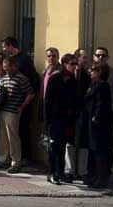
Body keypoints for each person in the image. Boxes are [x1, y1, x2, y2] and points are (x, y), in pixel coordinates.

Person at [1, 37, 39, 164]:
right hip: (9, 105)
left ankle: (25, 157)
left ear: (11, 46)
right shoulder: (9, 61)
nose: (4, 50)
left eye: (5, 47)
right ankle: (9, 158)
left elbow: (33, 81)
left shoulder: (25, 59)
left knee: (22, 130)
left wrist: (25, 102)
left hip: (22, 102)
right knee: (8, 134)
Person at [44, 54, 80, 185]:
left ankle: (60, 172)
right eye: (72, 64)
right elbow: (47, 101)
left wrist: (74, 116)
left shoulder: (73, 80)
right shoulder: (55, 78)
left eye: (76, 64)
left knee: (63, 146)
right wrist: (48, 121)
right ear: (64, 64)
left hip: (68, 120)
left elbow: (76, 100)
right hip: (55, 119)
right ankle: (53, 173)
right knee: (54, 147)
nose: (74, 67)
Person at [82, 63, 113, 189]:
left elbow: (101, 104)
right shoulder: (92, 84)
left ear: (100, 72)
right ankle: (93, 176)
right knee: (93, 150)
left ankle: (101, 178)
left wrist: (96, 117)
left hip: (99, 124)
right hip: (91, 123)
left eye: (93, 70)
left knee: (100, 151)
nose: (90, 72)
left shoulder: (103, 85)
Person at [0, 56, 35, 174]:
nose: (6, 71)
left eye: (8, 68)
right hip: (2, 110)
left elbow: (30, 93)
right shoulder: (4, 78)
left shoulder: (21, 78)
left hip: (13, 111)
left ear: (14, 66)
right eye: (4, 69)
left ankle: (15, 162)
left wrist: (22, 106)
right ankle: (4, 159)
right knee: (2, 136)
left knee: (13, 137)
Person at [66, 48, 92, 181]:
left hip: (82, 113)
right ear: (77, 58)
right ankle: (69, 170)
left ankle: (82, 171)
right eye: (84, 58)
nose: (86, 60)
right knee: (69, 142)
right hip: (69, 113)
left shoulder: (88, 76)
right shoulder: (66, 75)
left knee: (83, 142)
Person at [93, 47, 113, 124]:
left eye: (103, 55)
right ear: (94, 57)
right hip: (92, 112)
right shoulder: (89, 71)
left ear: (107, 58)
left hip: (109, 111)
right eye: (98, 55)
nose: (101, 57)